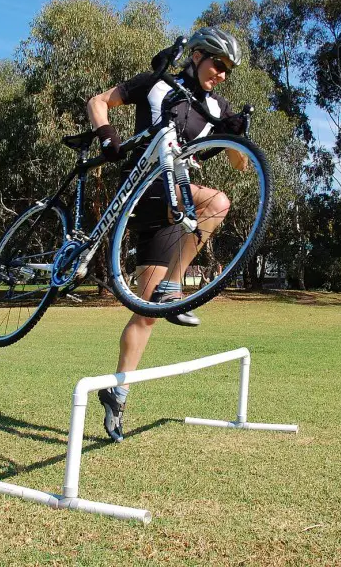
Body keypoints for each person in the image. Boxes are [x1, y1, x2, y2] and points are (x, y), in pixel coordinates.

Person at [86, 27, 247, 442]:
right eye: (218, 64)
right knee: (216, 204)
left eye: (229, 70)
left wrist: (235, 132)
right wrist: (107, 136)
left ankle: (116, 393)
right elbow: (99, 102)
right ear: (196, 56)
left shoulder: (215, 106)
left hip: (175, 206)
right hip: (145, 193)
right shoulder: (158, 82)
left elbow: (241, 165)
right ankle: (171, 289)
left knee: (147, 313)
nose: (222, 74)